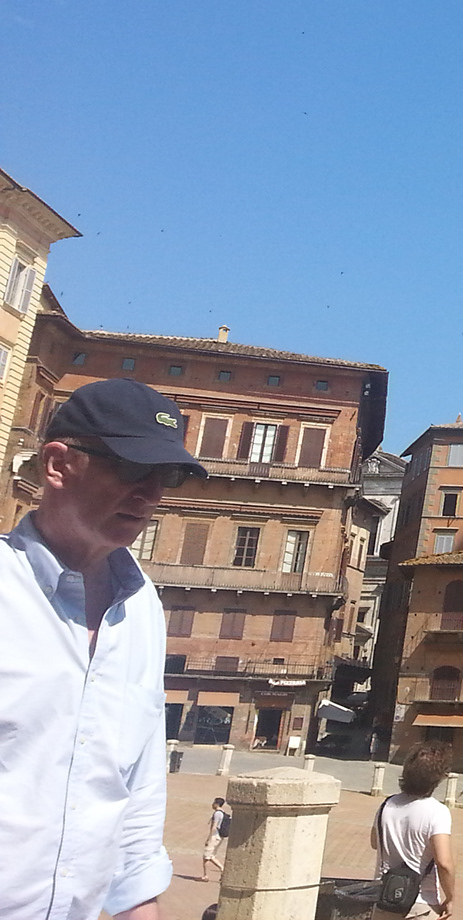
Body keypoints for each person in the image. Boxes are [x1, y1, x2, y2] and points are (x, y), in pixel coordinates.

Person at [0, 377, 207, 920]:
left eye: (164, 477)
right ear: (57, 464)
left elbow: (136, 778)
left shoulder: (143, 608)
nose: (151, 493)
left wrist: (138, 903)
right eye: (132, 469)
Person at [372, 743, 457, 920]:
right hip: (420, 902)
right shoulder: (437, 811)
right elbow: (444, 862)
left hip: (383, 896)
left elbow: (374, 842)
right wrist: (450, 897)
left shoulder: (386, 805)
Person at [201, 798, 232, 882]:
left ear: (216, 804)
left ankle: (206, 875)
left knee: (206, 856)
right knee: (211, 856)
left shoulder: (217, 814)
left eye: (214, 803)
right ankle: (221, 869)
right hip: (219, 837)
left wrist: (209, 838)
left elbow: (214, 827)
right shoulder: (222, 813)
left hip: (215, 836)